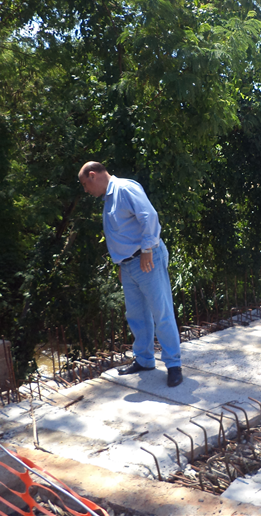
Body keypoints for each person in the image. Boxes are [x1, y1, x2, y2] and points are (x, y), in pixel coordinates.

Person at [78, 161, 183, 387]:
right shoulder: (109, 199)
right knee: (137, 315)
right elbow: (122, 234)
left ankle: (174, 365)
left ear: (93, 175)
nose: (86, 190)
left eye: (85, 185)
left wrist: (146, 250)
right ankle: (145, 360)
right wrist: (121, 264)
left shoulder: (124, 189)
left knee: (161, 311)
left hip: (147, 259)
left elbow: (149, 217)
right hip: (129, 265)